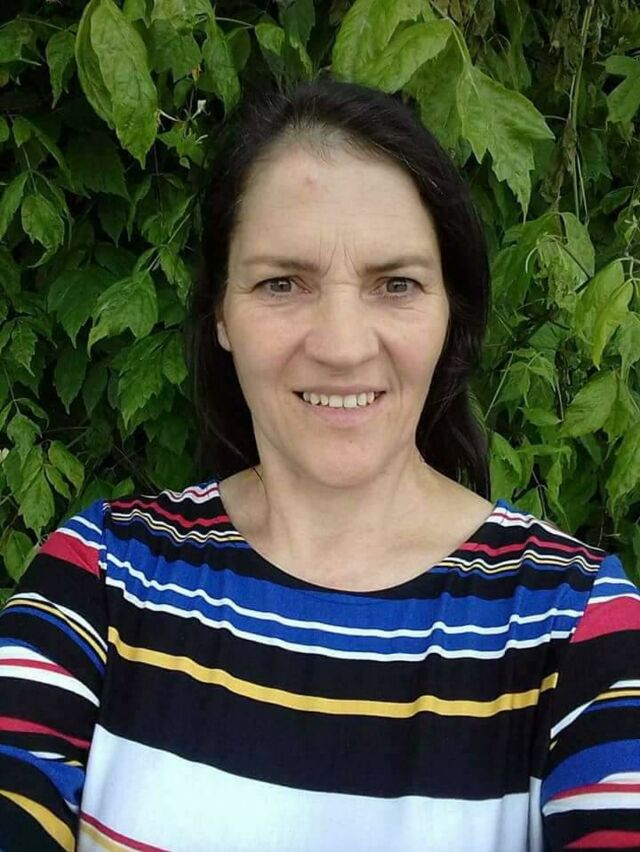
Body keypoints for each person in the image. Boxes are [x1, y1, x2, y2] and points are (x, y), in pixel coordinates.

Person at [0, 77, 639, 852]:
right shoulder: (100, 580)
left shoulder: (578, 627)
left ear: (451, 313)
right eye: (282, 283)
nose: (341, 346)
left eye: (396, 284)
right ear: (221, 312)